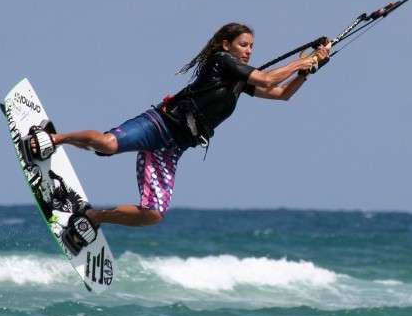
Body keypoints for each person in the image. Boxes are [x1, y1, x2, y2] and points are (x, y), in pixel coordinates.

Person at [23, 23, 330, 253]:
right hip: (159, 124)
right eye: (244, 45)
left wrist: (309, 70)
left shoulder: (239, 81)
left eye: (251, 46)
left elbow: (281, 94)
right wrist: (302, 61)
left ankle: (93, 216)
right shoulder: (220, 62)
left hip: (173, 148)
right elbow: (266, 78)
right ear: (227, 45)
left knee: (154, 215)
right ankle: (56, 137)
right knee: (106, 144)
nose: (249, 51)